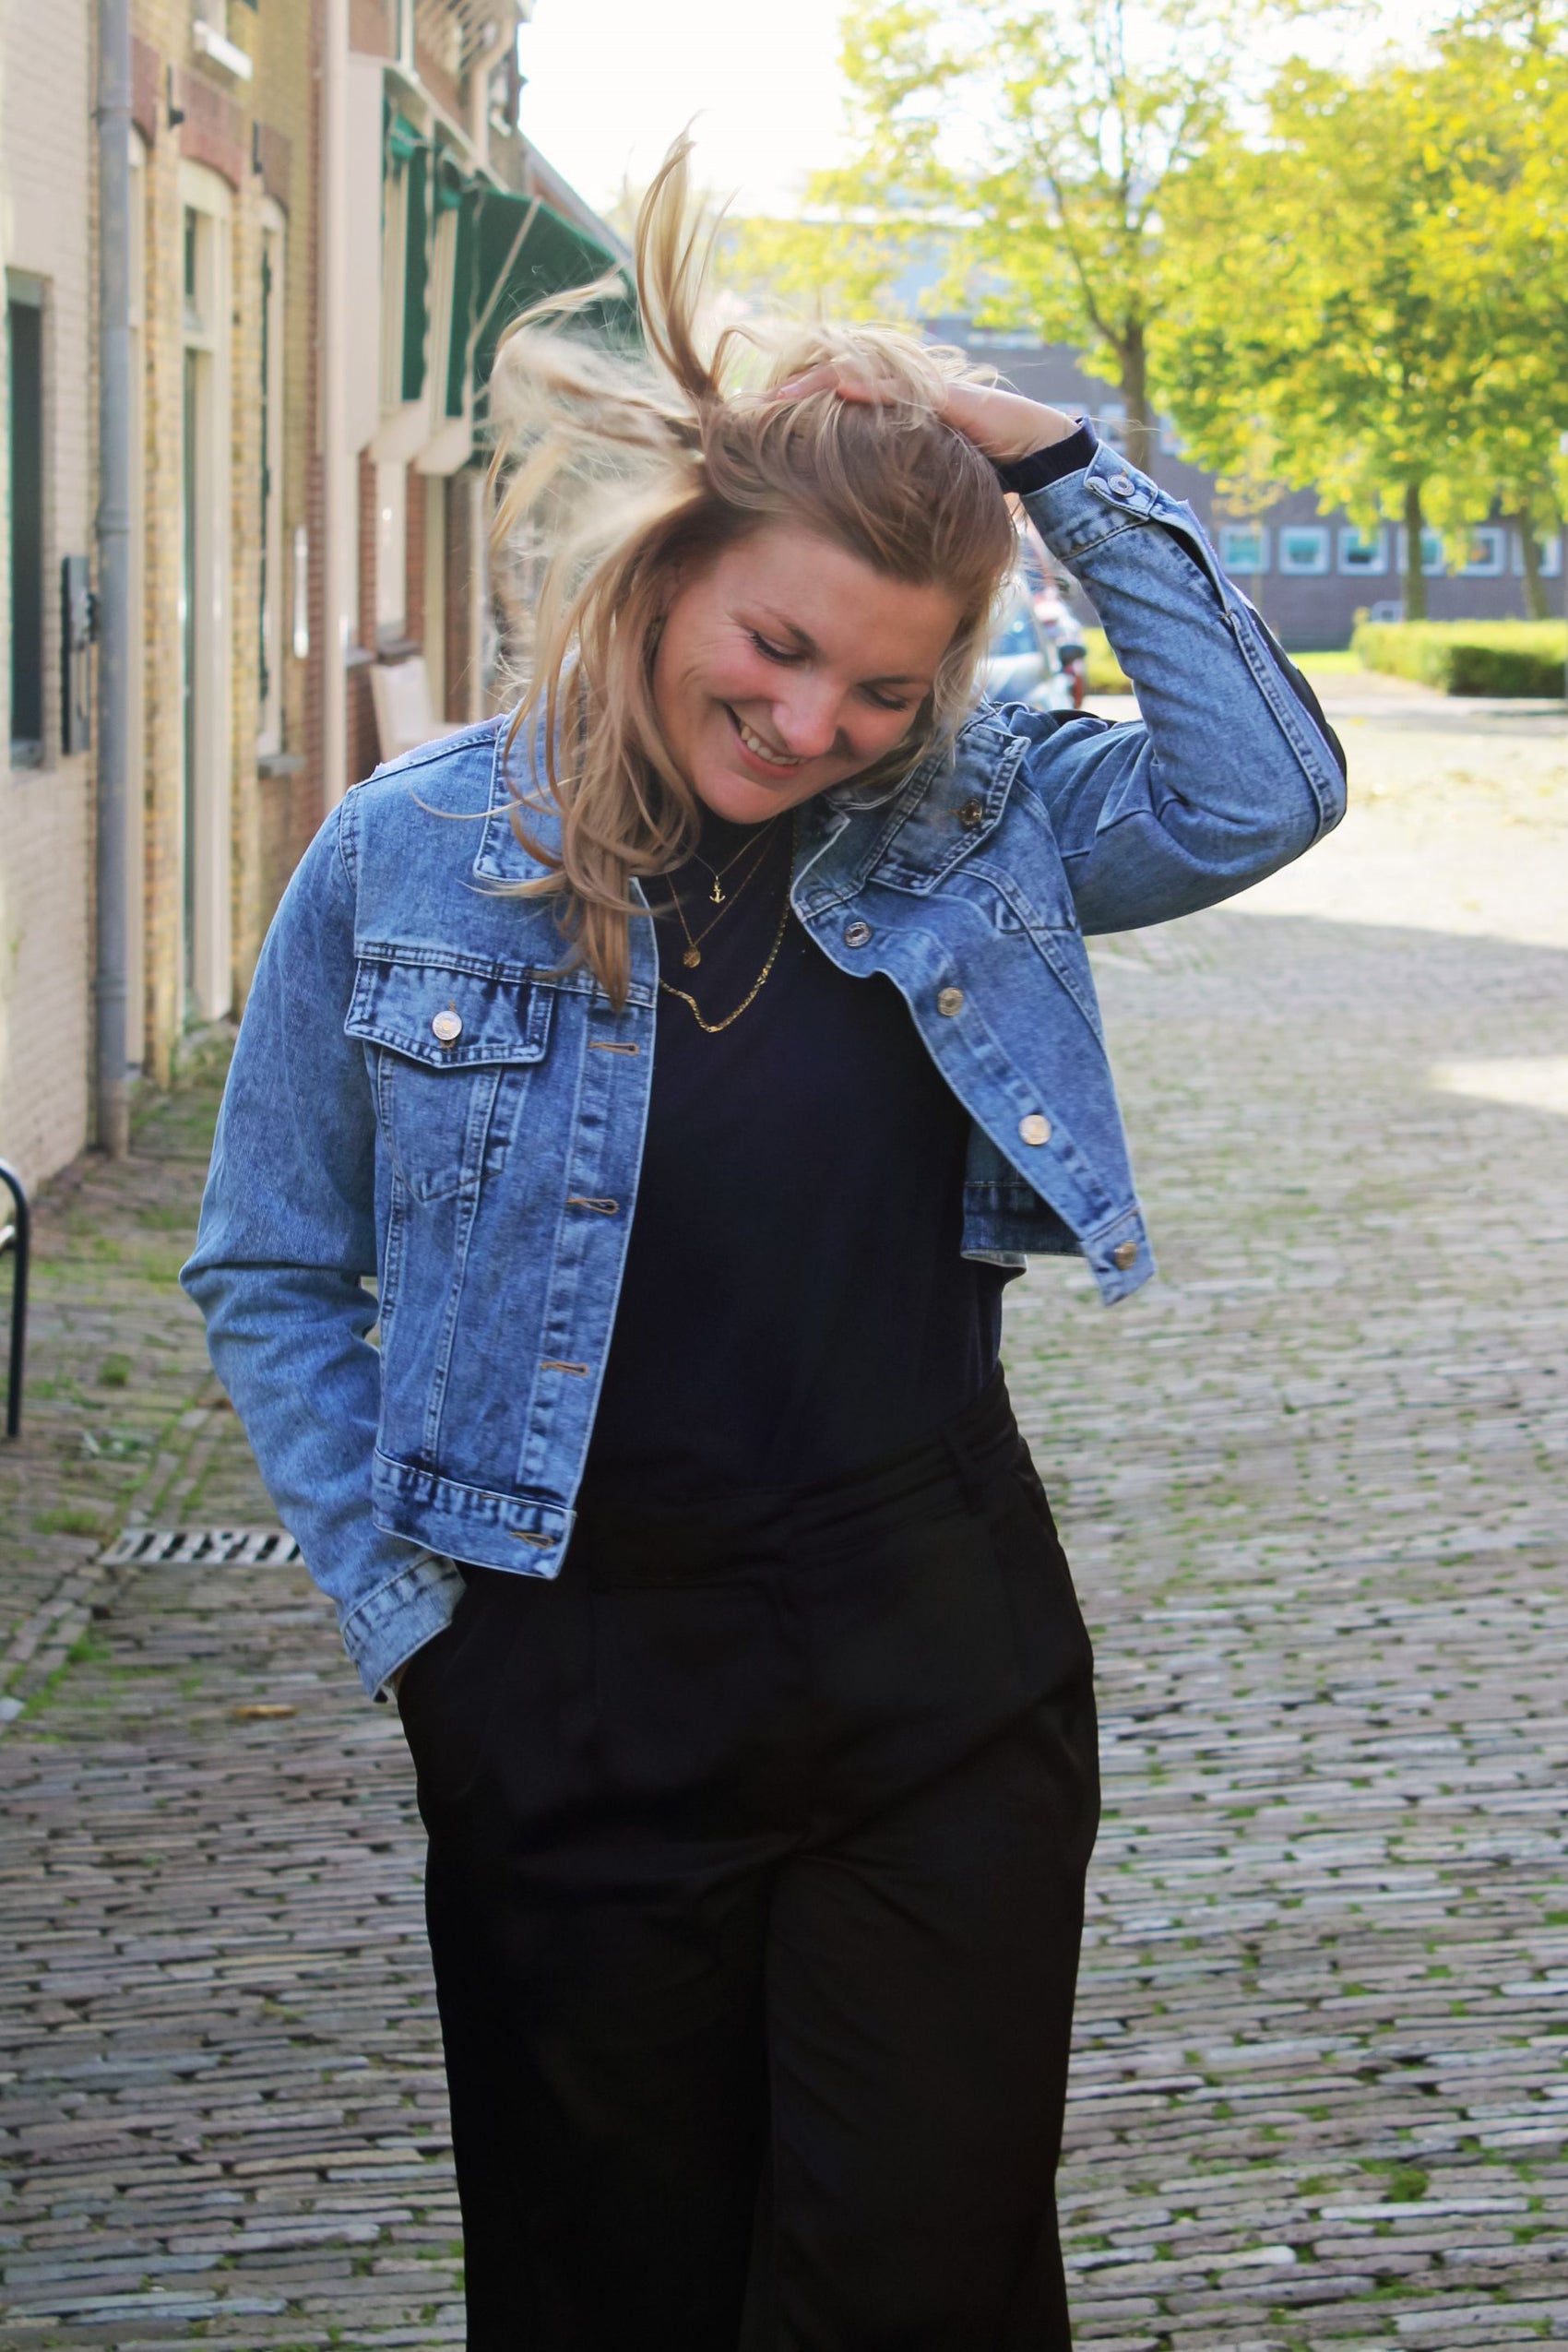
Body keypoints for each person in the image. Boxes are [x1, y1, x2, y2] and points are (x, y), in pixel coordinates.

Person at [184, 138, 1346, 2352]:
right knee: (607, 2283)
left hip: (932, 1658)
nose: (817, 724)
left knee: (916, 2280)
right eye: (782, 645)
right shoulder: (408, 855)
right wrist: (413, 1619)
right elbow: (268, 1266)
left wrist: (1056, 459)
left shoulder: (978, 826)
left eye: (886, 688)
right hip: (563, 1669)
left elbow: (1255, 791)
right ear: (668, 564)